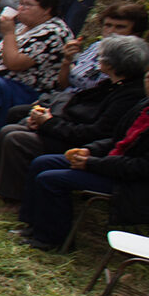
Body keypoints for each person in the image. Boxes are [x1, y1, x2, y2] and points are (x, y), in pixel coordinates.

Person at [0, 35, 148, 204]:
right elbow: (76, 104)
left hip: (83, 143)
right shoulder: (112, 84)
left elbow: (97, 131)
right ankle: (1, 189)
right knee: (14, 127)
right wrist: (47, 118)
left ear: (110, 64)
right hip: (74, 132)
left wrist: (50, 123)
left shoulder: (128, 96)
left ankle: (14, 198)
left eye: (100, 56)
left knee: (18, 139)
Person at [18, 72, 149, 250]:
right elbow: (116, 139)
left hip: (131, 184)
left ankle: (53, 240)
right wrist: (90, 150)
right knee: (42, 162)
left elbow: (140, 168)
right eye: (147, 77)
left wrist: (91, 163)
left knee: (51, 179)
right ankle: (33, 224)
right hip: (109, 163)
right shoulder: (143, 106)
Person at [0, 0, 73, 152]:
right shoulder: (24, 26)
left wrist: (8, 33)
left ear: (47, 10)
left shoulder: (53, 33)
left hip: (27, 88)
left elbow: (14, 63)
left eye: (28, 5)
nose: (21, 8)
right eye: (20, 3)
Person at [54, 2, 149, 103]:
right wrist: (67, 61)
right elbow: (65, 85)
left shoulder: (134, 59)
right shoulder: (96, 46)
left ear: (135, 33)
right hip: (64, 100)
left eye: (120, 27)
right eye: (108, 25)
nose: (111, 31)